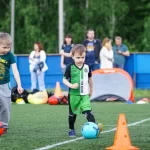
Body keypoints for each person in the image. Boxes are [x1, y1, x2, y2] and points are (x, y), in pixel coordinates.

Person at [63, 44, 100, 137]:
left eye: (82, 57)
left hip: (84, 95)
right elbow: (64, 80)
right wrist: (71, 85)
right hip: (73, 95)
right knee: (72, 114)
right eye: (78, 57)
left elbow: (90, 79)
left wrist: (91, 90)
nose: (80, 60)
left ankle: (94, 128)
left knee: (88, 111)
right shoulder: (69, 67)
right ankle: (71, 129)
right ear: (72, 56)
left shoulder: (87, 67)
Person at [0, 32, 23, 134]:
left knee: (5, 106)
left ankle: (4, 126)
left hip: (5, 85)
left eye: (8, 47)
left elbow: (15, 71)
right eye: (4, 47)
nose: (7, 50)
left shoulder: (10, 56)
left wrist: (19, 84)